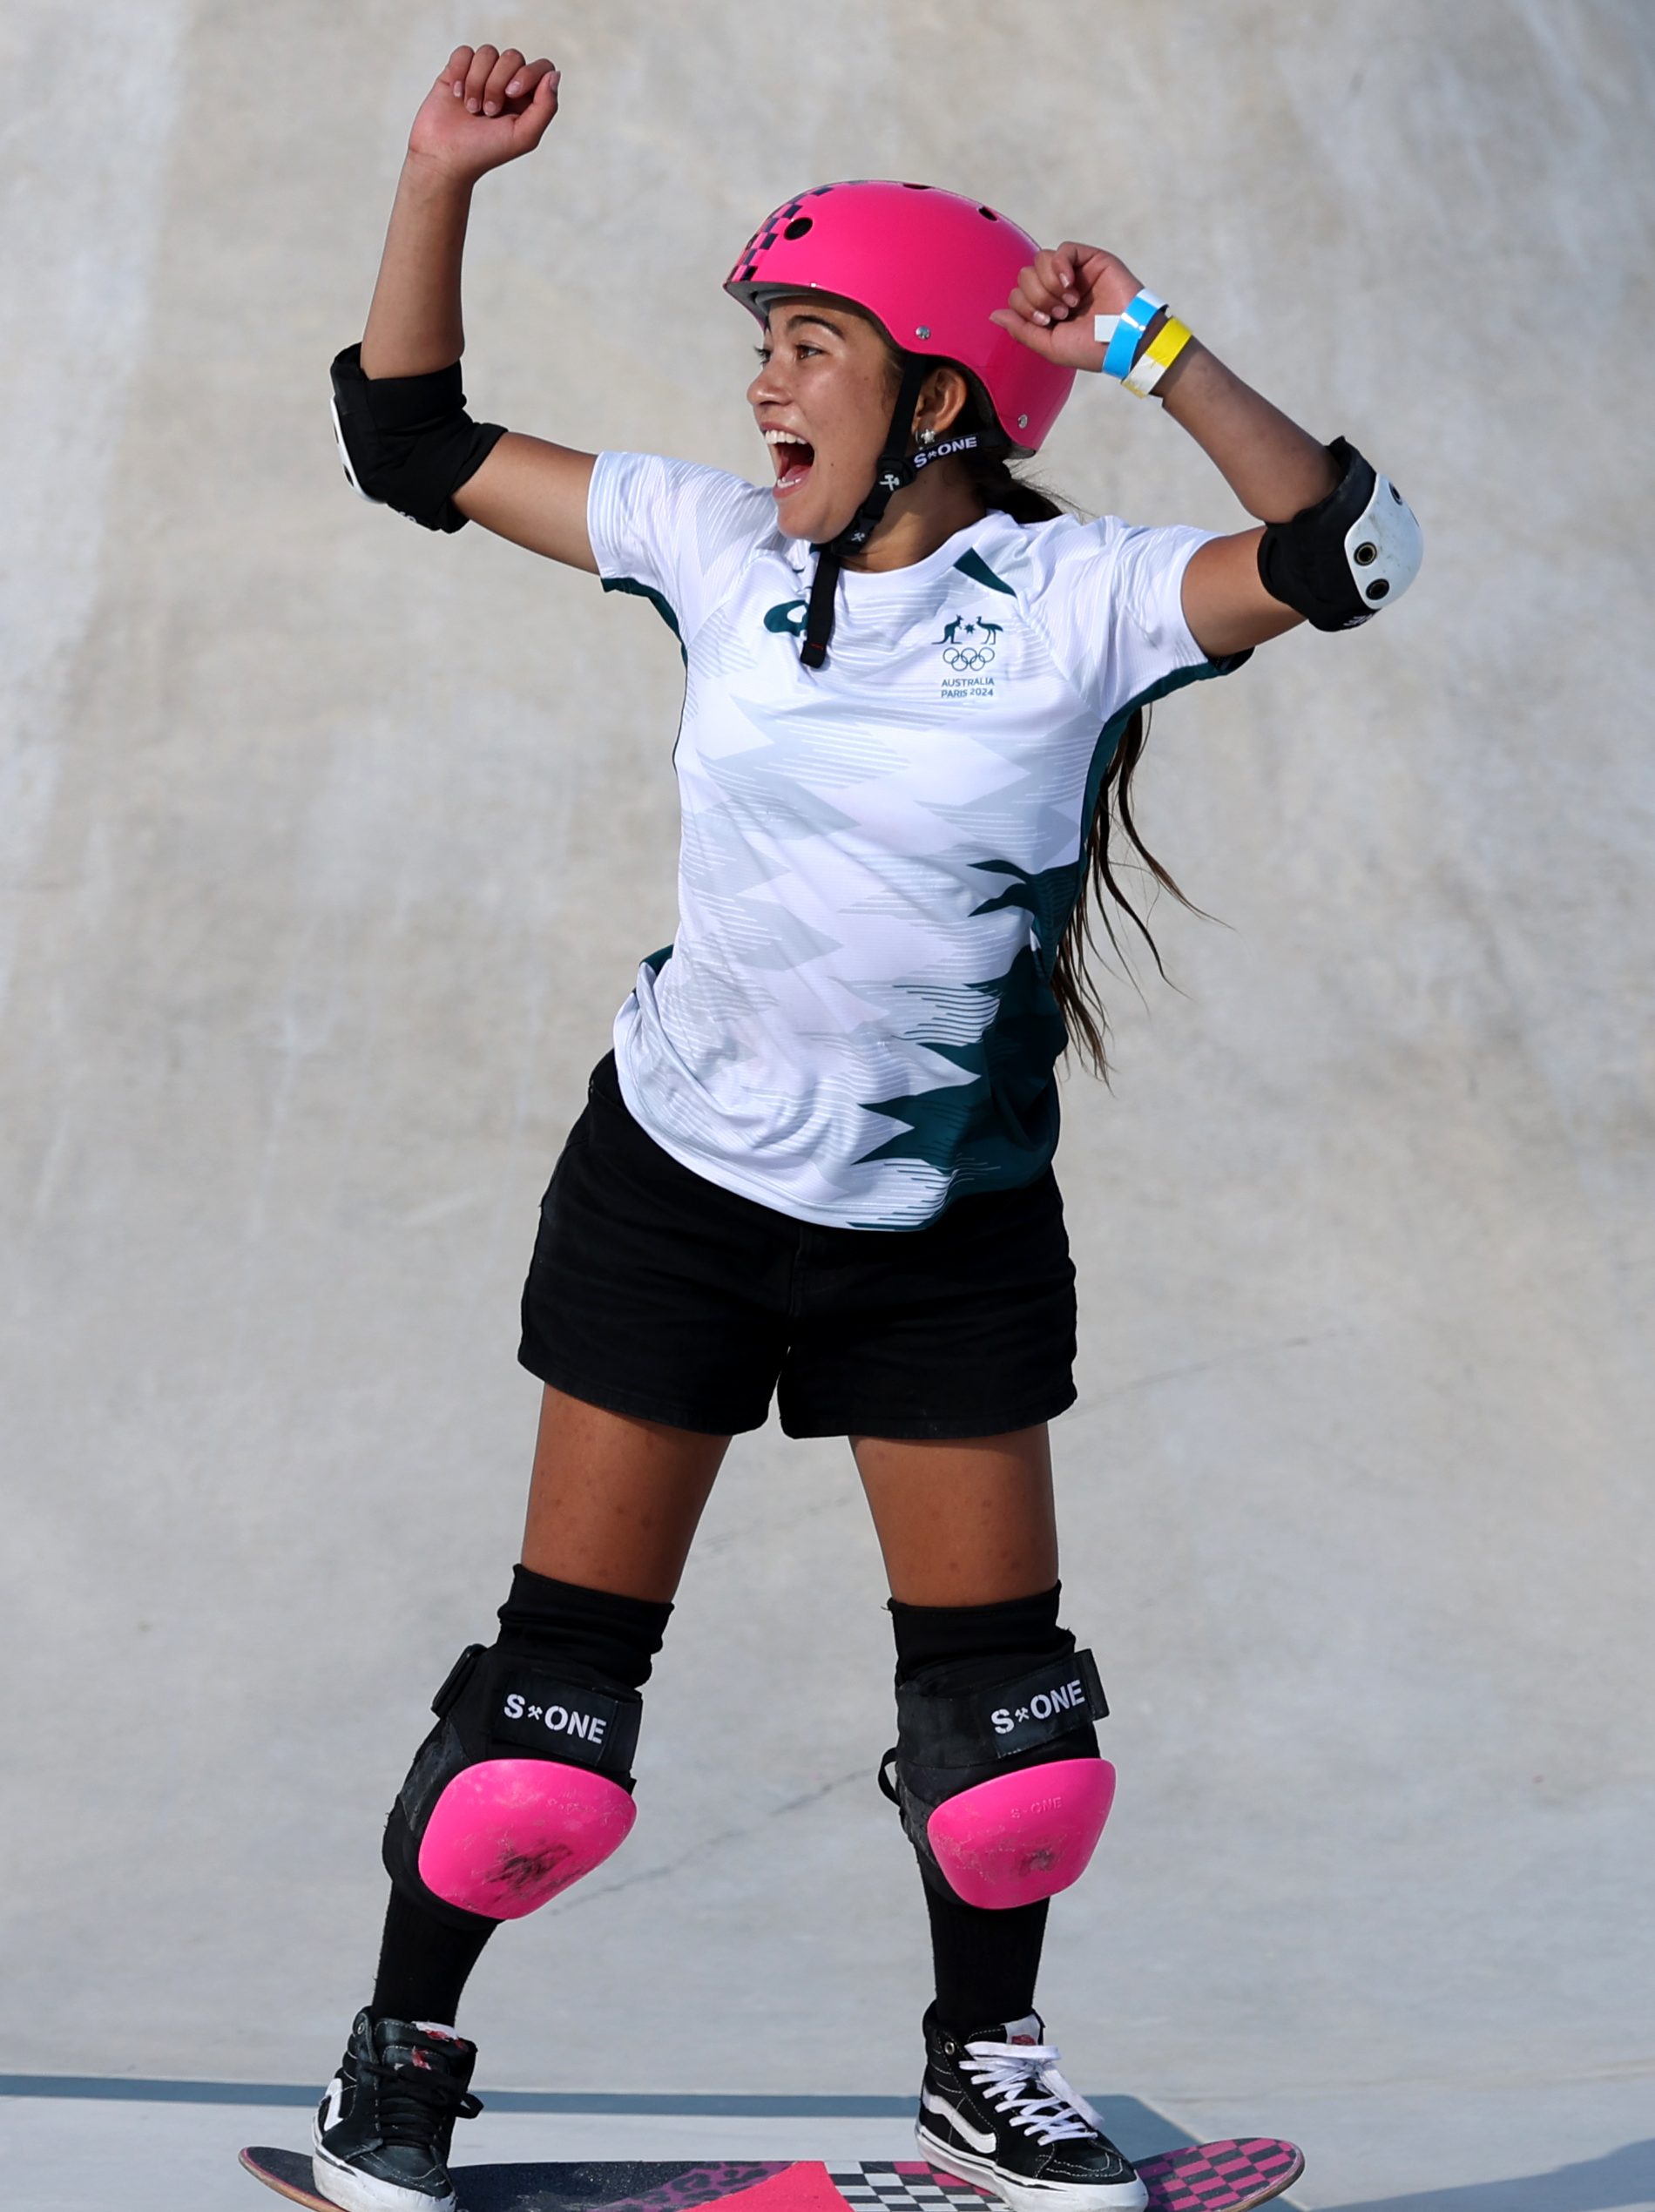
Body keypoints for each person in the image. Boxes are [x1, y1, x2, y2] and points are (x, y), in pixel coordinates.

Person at [313, 40, 1421, 2212]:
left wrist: (1145, 343)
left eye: (803, 346)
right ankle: (405, 2056)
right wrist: (436, 176)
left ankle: (980, 2064)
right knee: (544, 1736)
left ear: (935, 399)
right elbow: (405, 437)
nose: (759, 393)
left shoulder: (1087, 599)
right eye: (759, 349)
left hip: (943, 1225)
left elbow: (1343, 545)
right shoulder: (714, 547)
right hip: (677, 1197)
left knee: (1011, 1754)